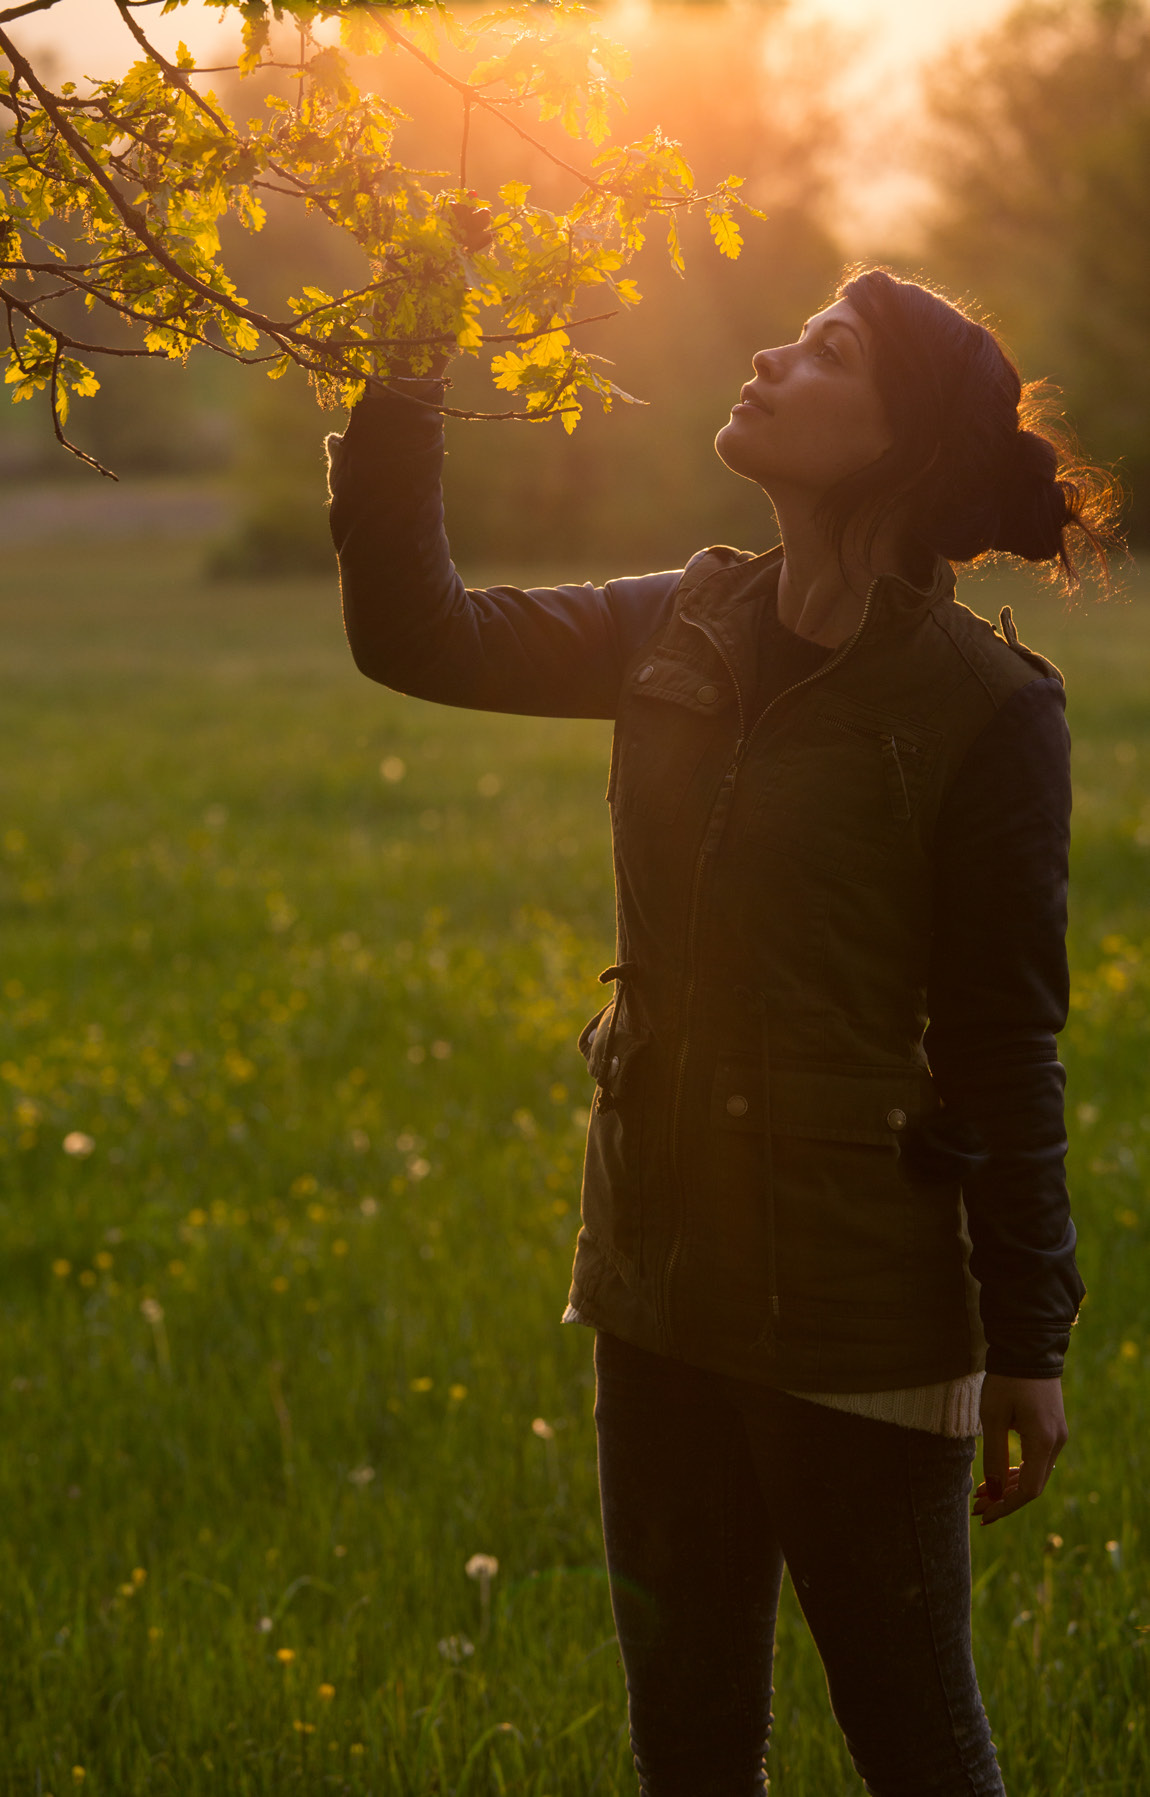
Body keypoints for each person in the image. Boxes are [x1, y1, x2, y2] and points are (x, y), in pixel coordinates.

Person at [325, 267, 1119, 1796]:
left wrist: (1028, 1336)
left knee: (918, 1749)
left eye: (827, 352)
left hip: (856, 1307)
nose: (769, 354)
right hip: (656, 1278)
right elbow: (416, 634)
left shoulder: (983, 708)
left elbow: (1002, 1037)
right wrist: (407, 359)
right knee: (686, 1751)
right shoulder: (678, 616)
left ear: (894, 440)